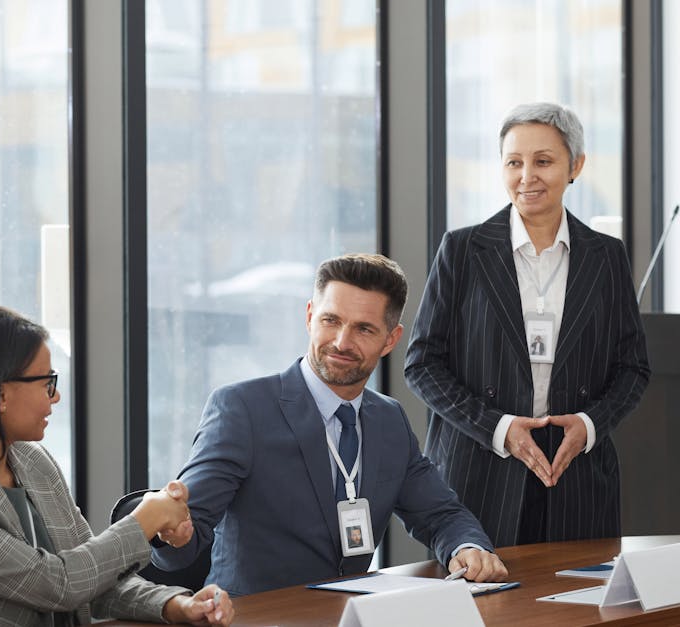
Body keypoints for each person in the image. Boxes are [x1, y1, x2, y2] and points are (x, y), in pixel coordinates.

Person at [152, 254, 506, 596]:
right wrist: (174, 532)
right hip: (255, 617)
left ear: (391, 340)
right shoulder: (242, 409)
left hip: (348, 615)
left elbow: (440, 513)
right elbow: (184, 533)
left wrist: (468, 546)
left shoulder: (389, 419)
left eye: (364, 329)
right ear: (310, 316)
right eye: (331, 320)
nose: (342, 342)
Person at [0, 305, 234, 626]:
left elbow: (93, 579)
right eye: (46, 382)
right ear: (0, 395)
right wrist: (144, 520)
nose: (56, 396)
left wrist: (177, 606)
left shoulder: (32, 462)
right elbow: (56, 584)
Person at [405, 102, 650, 548]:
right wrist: (499, 428)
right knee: (482, 611)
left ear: (575, 165)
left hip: (575, 475)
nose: (526, 176)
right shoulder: (461, 250)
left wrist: (590, 425)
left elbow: (632, 368)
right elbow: (422, 364)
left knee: (579, 607)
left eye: (543, 161)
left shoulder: (606, 256)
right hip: (480, 470)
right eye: (514, 162)